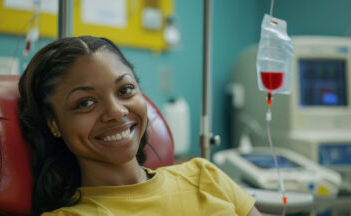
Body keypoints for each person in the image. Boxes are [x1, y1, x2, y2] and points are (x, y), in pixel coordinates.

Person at [18, 36, 261, 216]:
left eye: (125, 90)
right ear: (54, 124)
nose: (116, 111)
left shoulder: (204, 176)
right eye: (86, 102)